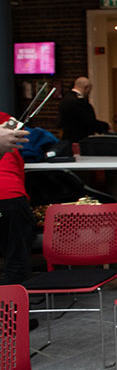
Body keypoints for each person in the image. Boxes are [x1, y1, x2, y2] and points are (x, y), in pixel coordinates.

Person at [0, 112, 33, 285]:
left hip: (8, 198)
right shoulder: (6, 122)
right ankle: (12, 307)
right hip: (10, 198)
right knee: (16, 265)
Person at [58, 76, 109, 141]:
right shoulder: (78, 102)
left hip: (67, 138)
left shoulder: (65, 99)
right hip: (80, 139)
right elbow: (88, 122)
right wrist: (106, 126)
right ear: (86, 88)